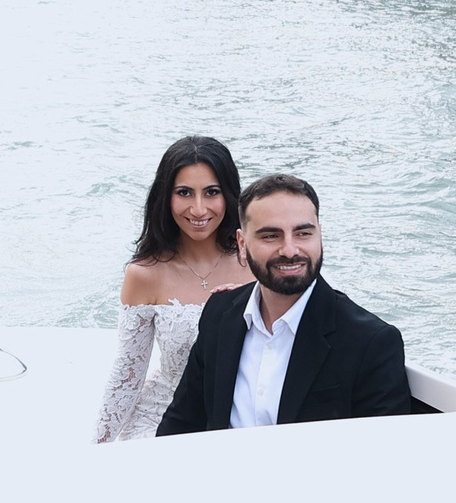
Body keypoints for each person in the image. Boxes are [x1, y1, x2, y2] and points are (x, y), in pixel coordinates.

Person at [156, 173, 414, 436]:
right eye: (271, 236)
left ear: (319, 235)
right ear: (243, 245)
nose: (290, 250)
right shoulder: (220, 313)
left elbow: (384, 454)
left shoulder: (370, 342)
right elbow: (181, 424)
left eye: (303, 233)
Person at [93, 136, 247, 442]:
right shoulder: (145, 274)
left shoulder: (255, 263)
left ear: (228, 195)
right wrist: (97, 449)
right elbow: (128, 375)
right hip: (162, 418)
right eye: (184, 193)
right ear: (166, 197)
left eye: (211, 192)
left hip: (241, 417)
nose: (199, 209)